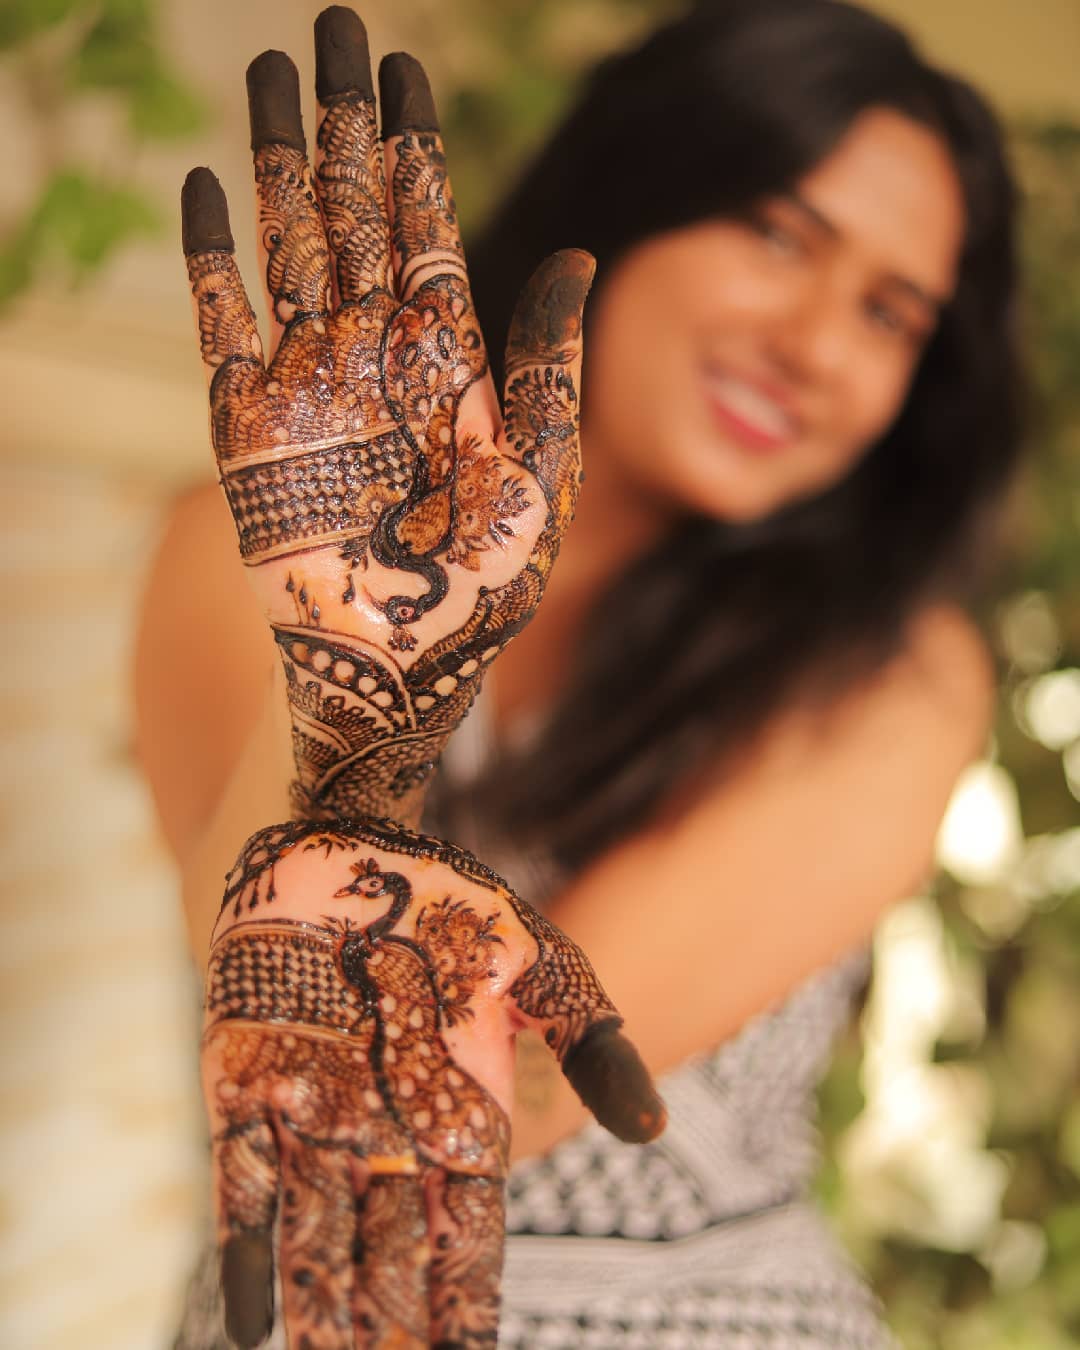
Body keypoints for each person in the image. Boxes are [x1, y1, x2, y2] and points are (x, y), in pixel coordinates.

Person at [136, 0, 1023, 1344]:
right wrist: (345, 666)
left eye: (892, 316)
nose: (815, 347)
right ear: (632, 191)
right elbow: (266, 1000)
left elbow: (515, 1089)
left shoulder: (888, 676)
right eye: (781, 234)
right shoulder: (228, 548)